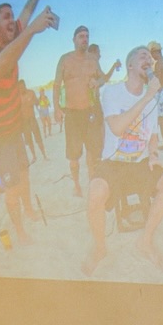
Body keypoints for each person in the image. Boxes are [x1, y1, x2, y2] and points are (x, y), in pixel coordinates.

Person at [83, 46, 163, 275]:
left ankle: (145, 240)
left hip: (141, 162)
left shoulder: (151, 98)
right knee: (95, 193)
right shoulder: (112, 92)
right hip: (113, 163)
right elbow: (117, 127)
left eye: (150, 58)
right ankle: (100, 248)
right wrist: (147, 96)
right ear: (130, 65)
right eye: (142, 55)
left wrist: (153, 154)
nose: (149, 60)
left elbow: (153, 134)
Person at [0, 0, 54, 244]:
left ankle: (29, 209)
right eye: (6, 17)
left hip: (13, 129)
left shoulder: (11, 35)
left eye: (13, 18)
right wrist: (30, 31)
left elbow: (27, 13)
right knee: (12, 187)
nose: (13, 21)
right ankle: (19, 231)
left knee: (25, 173)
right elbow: (2, 65)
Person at [53, 26, 106, 197]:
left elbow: (103, 77)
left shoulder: (92, 59)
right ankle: (76, 185)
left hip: (90, 112)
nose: (85, 39)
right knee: (74, 156)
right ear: (74, 39)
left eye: (87, 36)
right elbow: (56, 85)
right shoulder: (65, 59)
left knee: (93, 152)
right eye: (81, 36)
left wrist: (97, 82)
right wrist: (56, 108)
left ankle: (92, 184)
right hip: (72, 114)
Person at [147, 40, 163, 150]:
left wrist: (149, 72)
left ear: (156, 52)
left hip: (160, 93)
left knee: (160, 120)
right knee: (160, 119)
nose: (152, 56)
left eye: (152, 54)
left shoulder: (159, 63)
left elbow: (157, 79)